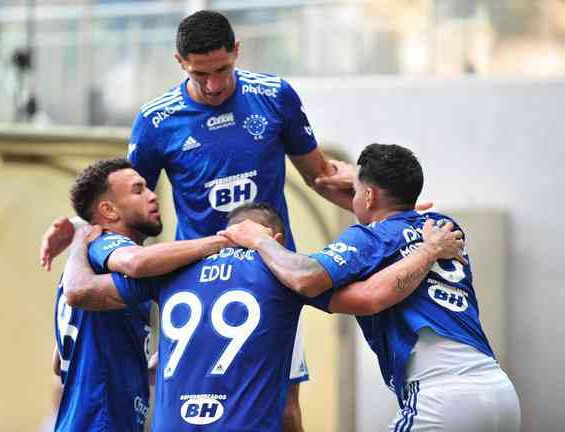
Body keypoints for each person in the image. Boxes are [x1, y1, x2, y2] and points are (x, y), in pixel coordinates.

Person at [39, 10, 359, 429]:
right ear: (179, 62)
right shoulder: (156, 120)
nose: (213, 85)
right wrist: (80, 224)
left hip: (266, 276)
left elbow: (320, 175)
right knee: (185, 405)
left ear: (237, 52)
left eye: (223, 70)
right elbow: (123, 201)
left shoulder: (274, 96)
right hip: (191, 280)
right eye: (200, 73)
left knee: (283, 409)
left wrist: (390, 200)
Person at [61, 200, 463, 431]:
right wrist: (426, 252)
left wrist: (81, 239)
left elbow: (81, 293)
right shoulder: (285, 275)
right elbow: (371, 298)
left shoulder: (169, 273)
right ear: (277, 240)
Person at [219, 144, 522, 431]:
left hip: (442, 396)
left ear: (368, 196)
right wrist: (363, 188)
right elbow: (389, 240)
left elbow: (306, 277)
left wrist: (258, 238)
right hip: (499, 392)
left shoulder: (369, 239)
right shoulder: (443, 227)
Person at [53, 158, 230, 431]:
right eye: (138, 190)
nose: (152, 196)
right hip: (99, 423)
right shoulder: (105, 243)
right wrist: (220, 241)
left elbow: (59, 361)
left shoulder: (89, 264)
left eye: (148, 188)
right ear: (109, 210)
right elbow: (135, 261)